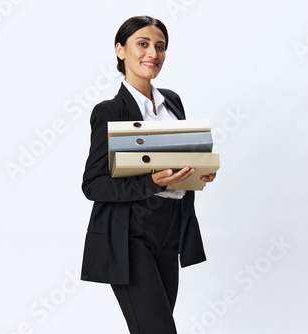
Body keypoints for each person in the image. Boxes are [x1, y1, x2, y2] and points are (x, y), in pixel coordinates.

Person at [80, 15, 216, 334]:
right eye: (142, 44)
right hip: (129, 232)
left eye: (160, 46)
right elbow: (93, 184)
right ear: (120, 50)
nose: (152, 53)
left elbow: (176, 162)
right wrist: (150, 182)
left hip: (171, 228)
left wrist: (196, 173)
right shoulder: (110, 112)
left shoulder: (173, 103)